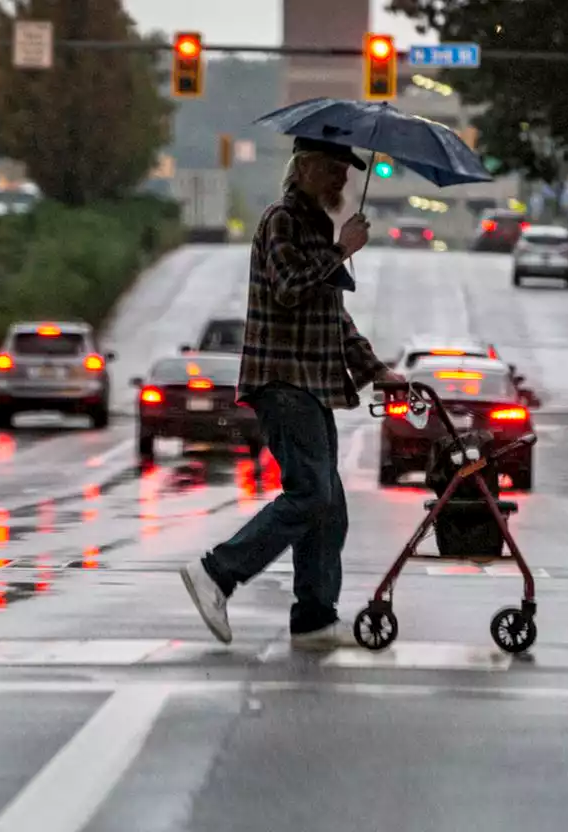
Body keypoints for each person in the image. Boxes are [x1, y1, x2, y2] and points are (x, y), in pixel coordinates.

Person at [179, 136, 405, 650]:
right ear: (304, 169)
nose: (342, 181)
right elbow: (288, 288)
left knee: (330, 507)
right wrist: (342, 250)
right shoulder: (280, 220)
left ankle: (314, 620)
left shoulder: (315, 228)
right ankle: (217, 572)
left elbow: (332, 318)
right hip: (282, 381)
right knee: (311, 495)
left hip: (313, 386)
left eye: (346, 173)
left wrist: (377, 372)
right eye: (333, 170)